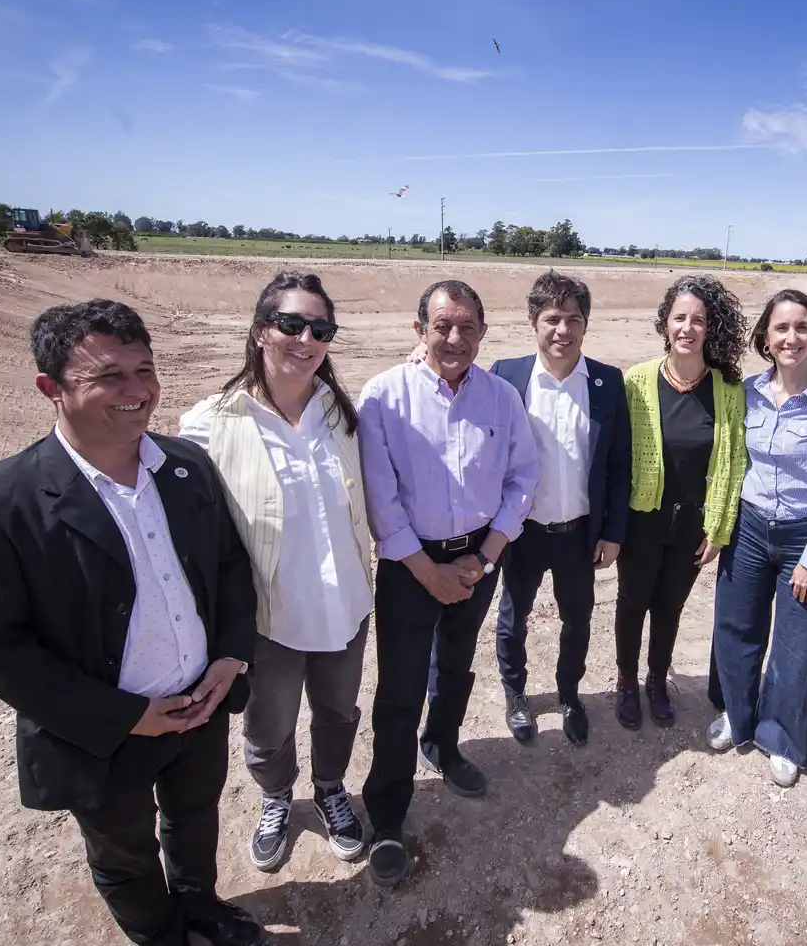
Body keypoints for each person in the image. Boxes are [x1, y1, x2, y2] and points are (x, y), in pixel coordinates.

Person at [0, 300, 263, 946]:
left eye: (146, 370)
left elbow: (228, 565)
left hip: (200, 700)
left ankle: (201, 905)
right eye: (110, 377)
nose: (138, 393)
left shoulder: (186, 467)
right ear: (49, 389)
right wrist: (124, 716)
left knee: (196, 818)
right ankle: (159, 934)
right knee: (125, 853)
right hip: (102, 732)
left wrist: (229, 657)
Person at [179, 272, 372, 873]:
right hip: (269, 621)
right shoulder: (211, 424)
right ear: (262, 330)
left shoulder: (343, 415)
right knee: (270, 724)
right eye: (291, 324)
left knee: (339, 713)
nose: (305, 338)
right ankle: (276, 797)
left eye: (320, 328)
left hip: (346, 610)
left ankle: (332, 789)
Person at [356, 279, 539, 887]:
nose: (454, 338)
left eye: (467, 328)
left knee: (457, 665)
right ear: (420, 330)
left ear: (483, 334)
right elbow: (381, 499)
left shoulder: (502, 397)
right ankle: (387, 812)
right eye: (442, 326)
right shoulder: (384, 396)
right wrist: (424, 569)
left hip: (476, 560)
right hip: (411, 567)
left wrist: (486, 557)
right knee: (400, 686)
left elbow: (523, 479)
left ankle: (445, 745)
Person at [707, 290, 807, 786]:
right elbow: (731, 463)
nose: (791, 337)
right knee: (736, 627)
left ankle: (782, 737)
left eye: (802, 327)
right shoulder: (747, 392)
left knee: (799, 644)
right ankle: (738, 713)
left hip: (806, 534)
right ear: (766, 338)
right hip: (750, 528)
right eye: (781, 328)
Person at [489, 271, 632, 747]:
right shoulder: (505, 376)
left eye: (573, 319)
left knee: (578, 618)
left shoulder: (607, 383)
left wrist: (612, 531)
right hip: (521, 531)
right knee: (514, 616)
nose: (562, 330)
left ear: (586, 325)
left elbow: (618, 463)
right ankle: (516, 695)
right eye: (552, 318)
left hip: (578, 535)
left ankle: (570, 695)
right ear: (534, 322)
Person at [615, 274, 747, 730]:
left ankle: (656, 681)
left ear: (711, 328)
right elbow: (614, 458)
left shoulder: (728, 389)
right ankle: (627, 682)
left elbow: (735, 463)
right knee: (633, 602)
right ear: (665, 324)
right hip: (641, 521)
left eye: (699, 320)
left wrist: (720, 528)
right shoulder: (635, 382)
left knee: (669, 607)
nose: (688, 328)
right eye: (679, 318)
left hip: (693, 523)